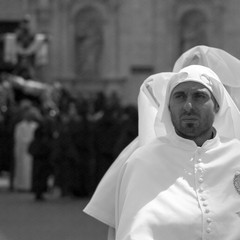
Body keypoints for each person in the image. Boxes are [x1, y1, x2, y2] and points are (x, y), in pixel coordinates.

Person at [83, 46, 240, 239]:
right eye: (180, 96)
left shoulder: (236, 155)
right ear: (168, 106)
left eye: (199, 96)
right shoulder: (141, 161)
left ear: (218, 105)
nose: (188, 106)